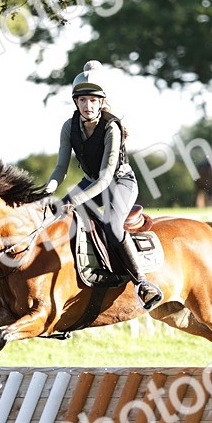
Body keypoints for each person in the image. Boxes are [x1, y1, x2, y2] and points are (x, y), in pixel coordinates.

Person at [45, 61, 164, 310]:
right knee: (56, 216)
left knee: (111, 224)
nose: (88, 106)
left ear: (101, 102)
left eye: (93, 100)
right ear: (75, 102)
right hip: (90, 182)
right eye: (83, 100)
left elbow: (106, 177)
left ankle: (142, 282)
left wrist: (74, 200)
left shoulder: (112, 126)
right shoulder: (68, 127)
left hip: (120, 181)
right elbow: (60, 168)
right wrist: (47, 191)